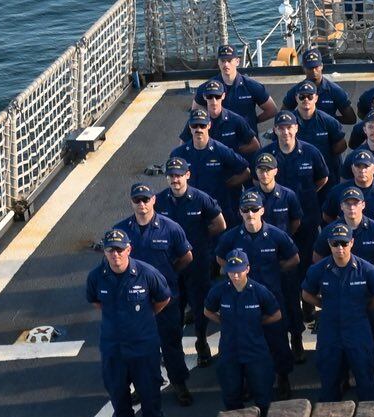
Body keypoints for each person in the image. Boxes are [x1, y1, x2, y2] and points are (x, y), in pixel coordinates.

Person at [87, 229, 173, 417]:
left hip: (143, 345)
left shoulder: (146, 274)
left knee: (149, 388)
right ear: (105, 252)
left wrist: (143, 318)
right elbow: (96, 301)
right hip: (113, 346)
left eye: (119, 250)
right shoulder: (96, 277)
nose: (115, 255)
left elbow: (163, 298)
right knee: (116, 388)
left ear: (128, 249)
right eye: (110, 250)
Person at [115, 181, 195, 403]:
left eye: (146, 199)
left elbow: (186, 256)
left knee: (171, 343)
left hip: (165, 299)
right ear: (131, 202)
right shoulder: (121, 231)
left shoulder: (171, 228)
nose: (142, 204)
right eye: (137, 200)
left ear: (154, 200)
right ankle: (143, 387)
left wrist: (167, 276)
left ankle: (179, 384)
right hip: (135, 303)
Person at [215, 191, 302, 391]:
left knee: (277, 339)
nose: (250, 213)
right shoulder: (231, 237)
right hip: (242, 297)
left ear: (262, 210)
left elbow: (294, 258)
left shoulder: (276, 235)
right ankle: (247, 380)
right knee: (244, 341)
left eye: (254, 209)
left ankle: (283, 376)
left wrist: (276, 272)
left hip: (271, 296)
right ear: (240, 212)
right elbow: (220, 259)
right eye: (246, 210)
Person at [302, 222, 374, 398]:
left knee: (365, 376)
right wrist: (325, 305)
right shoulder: (319, 269)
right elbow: (306, 294)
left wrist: (362, 309)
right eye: (335, 243)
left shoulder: (366, 269)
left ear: (352, 242)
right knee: (329, 378)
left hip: (357, 329)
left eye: (344, 243)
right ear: (329, 244)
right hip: (330, 330)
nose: (340, 248)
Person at [153, 158, 226, 365]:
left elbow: (219, 224)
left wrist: (200, 240)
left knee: (199, 305)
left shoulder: (201, 199)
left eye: (179, 175)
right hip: (172, 265)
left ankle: (201, 341)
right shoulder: (159, 201)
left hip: (197, 264)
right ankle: (174, 350)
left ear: (187, 175)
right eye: (171, 175)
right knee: (173, 307)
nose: (175, 179)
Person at [203, 250, 283, 411]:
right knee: (231, 395)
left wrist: (258, 322)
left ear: (247, 269)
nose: (235, 276)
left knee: (263, 394)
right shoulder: (220, 290)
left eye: (239, 271)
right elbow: (207, 310)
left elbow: (276, 314)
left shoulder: (259, 291)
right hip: (229, 350)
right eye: (231, 272)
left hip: (255, 350)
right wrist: (224, 322)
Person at [170, 111, 250, 219]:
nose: (198, 129)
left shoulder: (221, 151)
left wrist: (225, 186)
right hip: (190, 210)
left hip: (218, 209)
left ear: (209, 125)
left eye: (202, 125)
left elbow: (246, 172)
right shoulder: (178, 154)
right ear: (190, 126)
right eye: (195, 125)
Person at [200, 44, 275, 122]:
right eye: (223, 61)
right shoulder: (207, 87)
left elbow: (272, 110)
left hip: (246, 134)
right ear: (218, 62)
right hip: (220, 132)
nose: (226, 64)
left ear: (237, 62)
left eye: (229, 60)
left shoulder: (252, 86)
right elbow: (196, 111)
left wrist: (251, 123)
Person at [185, 78, 260, 156]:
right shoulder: (195, 121)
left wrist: (231, 154)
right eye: (210, 96)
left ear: (223, 96)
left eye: (217, 96)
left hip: (229, 165)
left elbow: (255, 145)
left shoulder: (236, 120)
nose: (214, 101)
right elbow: (182, 148)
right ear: (204, 96)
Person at [287, 50, 357, 125]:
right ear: (304, 68)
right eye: (310, 68)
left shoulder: (335, 91)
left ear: (321, 66)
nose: (314, 71)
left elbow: (351, 119)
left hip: (327, 132)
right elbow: (284, 115)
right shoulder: (296, 90)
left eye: (316, 67)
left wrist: (327, 120)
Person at [287, 81, 348, 160]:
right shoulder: (288, 123)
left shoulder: (329, 121)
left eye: (310, 96)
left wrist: (323, 157)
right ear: (296, 98)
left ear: (316, 98)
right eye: (302, 96)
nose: (306, 99)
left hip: (325, 168)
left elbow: (342, 145)